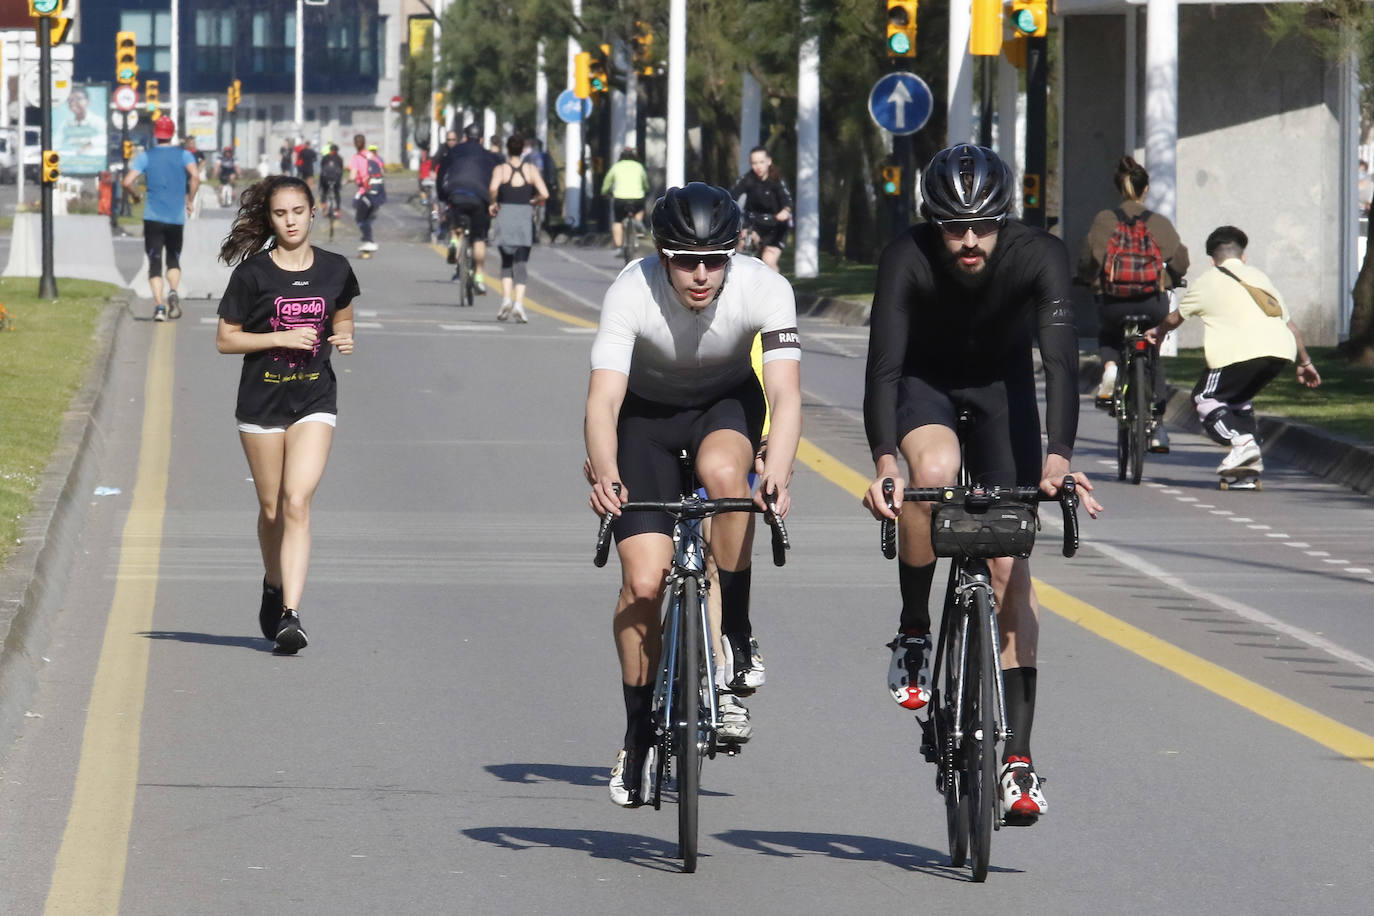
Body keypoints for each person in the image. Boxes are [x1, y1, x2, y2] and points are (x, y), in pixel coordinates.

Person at [862, 144, 1103, 825]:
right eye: (951, 226)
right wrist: (885, 462)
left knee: (1008, 565)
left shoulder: (1039, 255)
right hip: (924, 384)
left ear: (1006, 219)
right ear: (931, 222)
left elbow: (1058, 362)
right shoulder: (906, 258)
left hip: (1003, 394)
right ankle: (914, 630)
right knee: (930, 477)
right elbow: (883, 367)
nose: (968, 240)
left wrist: (1057, 458)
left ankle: (1018, 763)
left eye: (983, 225)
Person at [585, 182, 802, 808]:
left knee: (729, 479)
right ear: (661, 255)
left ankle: (734, 627)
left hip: (725, 406)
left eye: (715, 259)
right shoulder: (631, 288)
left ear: (735, 252)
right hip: (645, 420)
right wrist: (604, 469)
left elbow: (786, 396)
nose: (701, 274)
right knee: (644, 584)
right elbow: (603, 400)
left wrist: (779, 468)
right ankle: (637, 732)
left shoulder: (765, 287)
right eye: (685, 259)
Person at [214, 175, 357, 654]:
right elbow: (226, 339)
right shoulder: (252, 275)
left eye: (298, 211)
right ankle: (273, 584)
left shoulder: (335, 268)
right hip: (261, 404)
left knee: (297, 501)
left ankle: (291, 615)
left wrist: (346, 337)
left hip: (315, 399)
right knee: (272, 508)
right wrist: (279, 337)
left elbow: (342, 314)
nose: (291, 220)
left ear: (313, 213)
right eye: (281, 213)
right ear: (270, 219)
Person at [1144, 225, 1320, 479]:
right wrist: (1305, 362)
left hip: (1238, 353)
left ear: (1212, 260)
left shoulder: (1207, 281)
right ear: (1243, 256)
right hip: (1280, 352)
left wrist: (1158, 333)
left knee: (1204, 397)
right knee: (1237, 399)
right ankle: (1249, 464)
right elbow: (1291, 326)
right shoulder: (1260, 278)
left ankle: (1243, 444)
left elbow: (1174, 318)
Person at [1077, 155, 1189, 452]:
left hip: (1113, 301)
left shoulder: (1104, 220)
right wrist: (1174, 276)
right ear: (1146, 188)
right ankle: (1156, 428)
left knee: (1109, 333)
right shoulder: (1159, 223)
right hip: (1152, 302)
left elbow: (1087, 260)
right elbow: (1181, 259)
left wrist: (1086, 278)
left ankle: (1111, 368)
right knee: (1151, 347)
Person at [122, 115, 199, 322]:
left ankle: (159, 307)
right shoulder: (184, 155)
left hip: (153, 218)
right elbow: (196, 177)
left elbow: (128, 181)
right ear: (172, 133)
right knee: (173, 260)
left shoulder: (146, 156)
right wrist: (190, 199)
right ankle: (173, 291)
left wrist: (135, 195)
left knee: (154, 264)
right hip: (176, 218)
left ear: (156, 134)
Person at [488, 133, 549, 322]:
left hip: (505, 214)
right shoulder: (530, 169)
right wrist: (534, 200)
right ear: (523, 150)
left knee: (506, 260)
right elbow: (545, 193)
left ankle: (506, 299)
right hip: (524, 216)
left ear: (507, 149)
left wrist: (493, 202)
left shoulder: (501, 169)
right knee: (521, 261)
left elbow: (492, 188)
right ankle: (519, 304)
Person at [436, 122, 500, 292]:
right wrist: (495, 202)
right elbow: (497, 179)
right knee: (479, 238)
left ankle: (454, 243)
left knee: (455, 225)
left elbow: (441, 174)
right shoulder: (488, 156)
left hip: (456, 194)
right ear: (481, 139)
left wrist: (442, 195)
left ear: (464, 137)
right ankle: (479, 277)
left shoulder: (454, 151)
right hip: (479, 197)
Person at [731, 146, 793, 272]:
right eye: (754, 163)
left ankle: (776, 289)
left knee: (768, 261)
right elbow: (732, 194)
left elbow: (787, 200)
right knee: (743, 247)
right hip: (755, 224)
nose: (758, 166)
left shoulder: (777, 180)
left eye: (761, 162)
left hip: (775, 228)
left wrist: (785, 211)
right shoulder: (748, 178)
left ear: (769, 161)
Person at [602, 148, 651, 252]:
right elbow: (645, 182)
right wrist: (646, 190)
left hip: (620, 199)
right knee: (640, 210)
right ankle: (637, 224)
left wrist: (604, 192)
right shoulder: (639, 166)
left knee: (618, 221)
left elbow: (607, 181)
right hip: (637, 198)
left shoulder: (616, 166)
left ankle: (619, 247)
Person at [349, 134, 385, 256]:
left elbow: (353, 176)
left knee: (359, 218)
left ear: (355, 144)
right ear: (365, 143)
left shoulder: (356, 158)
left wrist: (349, 180)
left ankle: (369, 240)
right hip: (377, 193)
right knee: (367, 218)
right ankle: (366, 243)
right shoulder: (374, 157)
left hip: (365, 192)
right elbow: (382, 172)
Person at [318, 143, 345, 219]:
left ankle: (324, 208)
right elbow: (341, 170)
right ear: (337, 150)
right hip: (336, 180)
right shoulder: (339, 158)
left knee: (324, 192)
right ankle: (338, 210)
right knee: (337, 193)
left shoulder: (325, 157)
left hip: (325, 179)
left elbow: (322, 168)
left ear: (330, 150)